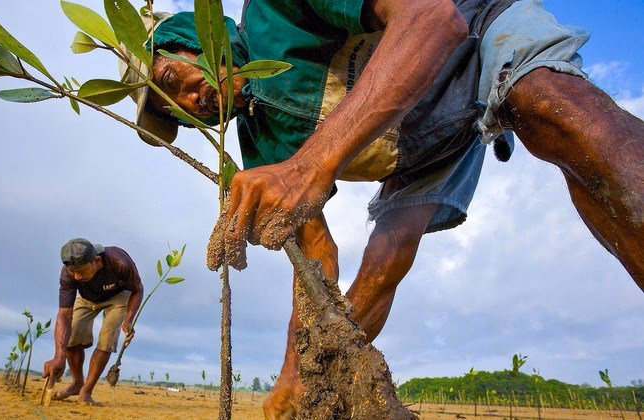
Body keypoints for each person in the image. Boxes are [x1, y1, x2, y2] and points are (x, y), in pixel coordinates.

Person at [123, 0, 644, 417]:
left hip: (474, 25)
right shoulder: (259, 138)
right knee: (380, 270)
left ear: (194, 38)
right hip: (423, 150)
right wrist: (294, 379)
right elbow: (316, 262)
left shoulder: (275, 10)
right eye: (176, 114)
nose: (189, 105)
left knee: (558, 112)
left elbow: (432, 18)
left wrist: (309, 168)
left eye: (171, 82)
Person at [42, 238, 143, 406]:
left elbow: (138, 290)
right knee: (71, 336)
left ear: (97, 261)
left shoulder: (120, 263)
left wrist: (128, 320)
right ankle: (77, 383)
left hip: (118, 297)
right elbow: (64, 315)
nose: (75, 276)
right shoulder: (69, 273)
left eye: (80, 271)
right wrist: (58, 356)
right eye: (72, 272)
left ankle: (86, 391)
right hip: (88, 298)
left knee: (107, 336)